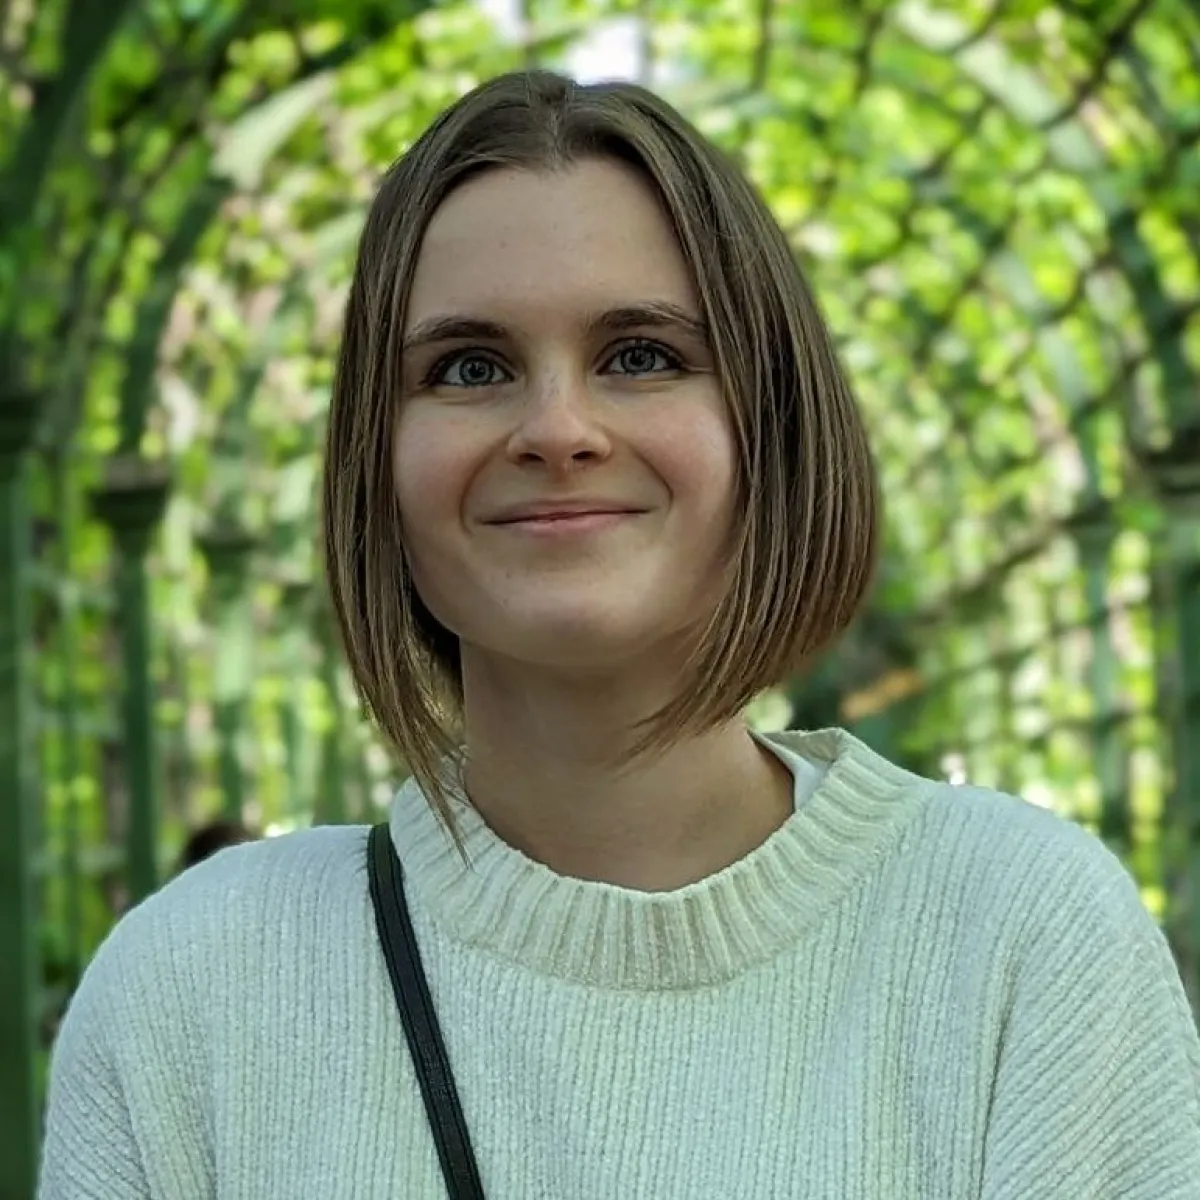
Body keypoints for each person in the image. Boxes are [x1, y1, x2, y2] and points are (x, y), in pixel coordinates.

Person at [39, 70, 1200, 1198]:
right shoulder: (190, 993)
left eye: (642, 356)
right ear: (375, 466)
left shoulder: (1024, 938)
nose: (558, 429)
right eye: (469, 367)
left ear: (772, 430)